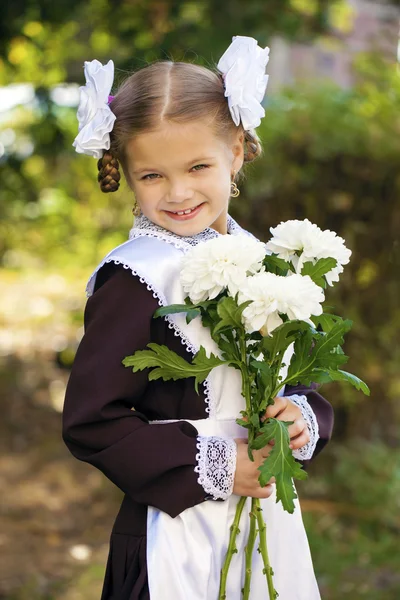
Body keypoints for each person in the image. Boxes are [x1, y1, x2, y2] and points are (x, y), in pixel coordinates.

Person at [63, 36, 334, 600]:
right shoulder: (134, 279)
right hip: (177, 528)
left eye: (197, 166)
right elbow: (93, 419)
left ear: (235, 152)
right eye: (152, 175)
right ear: (126, 174)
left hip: (269, 522)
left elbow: (293, 374)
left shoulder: (266, 261)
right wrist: (211, 465)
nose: (178, 192)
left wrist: (301, 416)